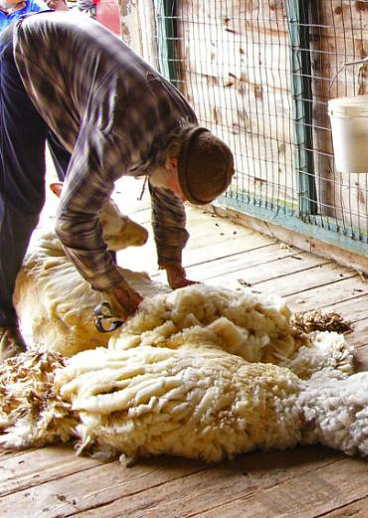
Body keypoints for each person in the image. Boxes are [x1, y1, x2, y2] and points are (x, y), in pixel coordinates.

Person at [0, 11, 235, 361]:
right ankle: (3, 319)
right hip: (26, 58)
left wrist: (173, 267)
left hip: (75, 83)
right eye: (182, 189)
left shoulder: (187, 135)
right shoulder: (118, 137)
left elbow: (168, 196)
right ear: (174, 162)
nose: (179, 197)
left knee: (94, 200)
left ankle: (96, 298)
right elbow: (70, 221)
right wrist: (113, 284)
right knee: (24, 201)